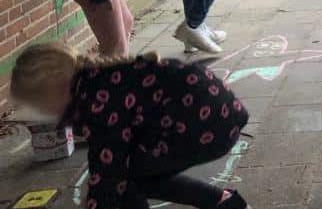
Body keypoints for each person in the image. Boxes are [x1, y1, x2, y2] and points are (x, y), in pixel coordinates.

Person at [11, 44, 249, 209]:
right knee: (129, 177)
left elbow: (109, 168)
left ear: (53, 91)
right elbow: (108, 158)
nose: (44, 114)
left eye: (40, 106)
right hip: (213, 114)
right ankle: (223, 201)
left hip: (207, 126)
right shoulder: (93, 79)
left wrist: (98, 199)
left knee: (125, 181)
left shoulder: (95, 102)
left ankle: (221, 201)